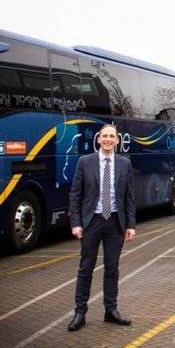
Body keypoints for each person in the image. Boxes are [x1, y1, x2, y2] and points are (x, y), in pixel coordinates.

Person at [67, 123, 136, 331]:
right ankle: (80, 312)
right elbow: (75, 195)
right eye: (104, 136)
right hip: (92, 221)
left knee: (112, 269)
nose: (107, 140)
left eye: (111, 137)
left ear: (117, 141)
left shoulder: (125, 164)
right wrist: (76, 223)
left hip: (115, 222)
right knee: (85, 268)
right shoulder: (84, 162)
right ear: (98, 139)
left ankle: (111, 311)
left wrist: (130, 225)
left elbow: (130, 198)